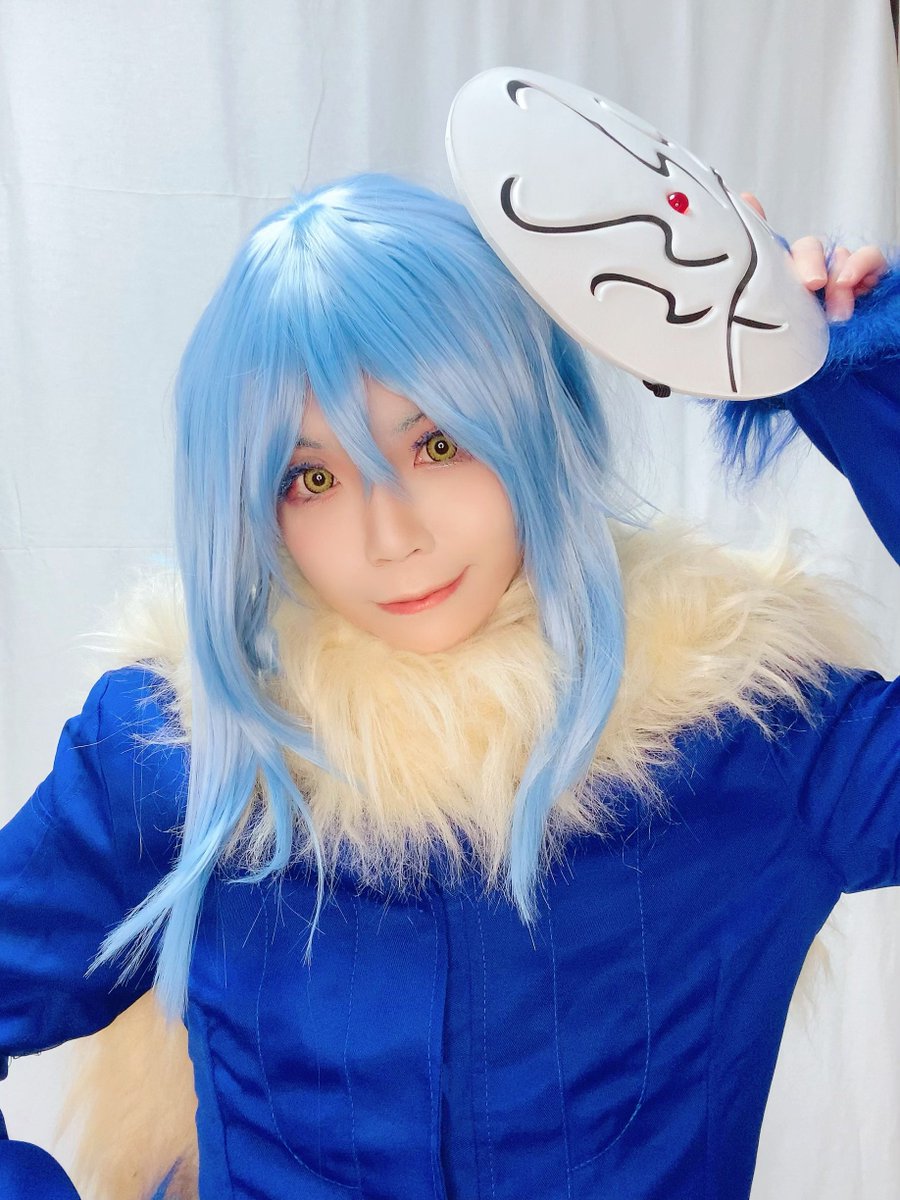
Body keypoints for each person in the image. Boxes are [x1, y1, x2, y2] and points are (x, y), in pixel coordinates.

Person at [0, 174, 896, 1200]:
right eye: (313, 478)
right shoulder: (178, 754)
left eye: (437, 443)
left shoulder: (747, 733)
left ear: (537, 417)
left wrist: (853, 371)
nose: (391, 537)